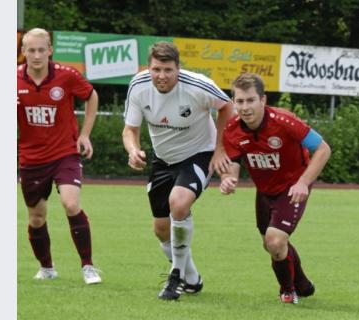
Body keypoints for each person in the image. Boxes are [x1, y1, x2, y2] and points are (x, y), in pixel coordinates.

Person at [122, 42, 233, 300]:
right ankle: (191, 279)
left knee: (179, 204)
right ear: (148, 68)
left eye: (168, 70)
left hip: (199, 153)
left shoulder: (197, 86)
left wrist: (220, 149)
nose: (161, 76)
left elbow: (227, 106)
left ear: (178, 69)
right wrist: (133, 150)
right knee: (161, 229)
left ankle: (175, 277)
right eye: (156, 69)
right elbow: (130, 131)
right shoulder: (138, 87)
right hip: (163, 160)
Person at [212, 73, 332, 304]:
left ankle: (287, 291)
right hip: (265, 191)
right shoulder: (233, 129)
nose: (245, 107)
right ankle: (303, 284)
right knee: (272, 244)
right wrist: (228, 179)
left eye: (250, 100)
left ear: (263, 100)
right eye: (239, 101)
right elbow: (234, 165)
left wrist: (303, 183)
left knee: (275, 241)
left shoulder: (285, 122)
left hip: (292, 188)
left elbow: (323, 149)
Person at [17, 28, 102, 285]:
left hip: (65, 153)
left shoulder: (67, 76)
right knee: (37, 217)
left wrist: (85, 134)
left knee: (71, 203)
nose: (36, 55)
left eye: (41, 49)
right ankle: (47, 268)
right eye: (31, 50)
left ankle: (88, 266)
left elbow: (91, 96)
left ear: (50, 50)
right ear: (23, 52)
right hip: (31, 159)